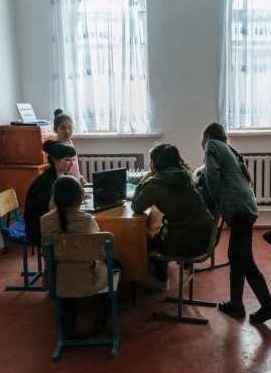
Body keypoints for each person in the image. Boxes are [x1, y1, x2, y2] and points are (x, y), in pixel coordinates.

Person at [200, 122, 271, 324]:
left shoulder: (212, 145)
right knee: (237, 257)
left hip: (238, 207)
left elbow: (211, 175)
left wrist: (216, 199)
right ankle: (237, 305)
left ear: (207, 135)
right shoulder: (228, 148)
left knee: (244, 259)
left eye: (202, 138)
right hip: (245, 206)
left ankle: (269, 307)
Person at [131, 143, 213, 291]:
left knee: (151, 239)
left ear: (154, 162)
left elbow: (136, 206)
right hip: (206, 237)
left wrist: (144, 179)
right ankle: (174, 268)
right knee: (165, 228)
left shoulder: (154, 184)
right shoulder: (185, 173)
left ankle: (161, 278)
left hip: (187, 242)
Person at [40, 176, 117, 333]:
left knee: (65, 270)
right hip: (85, 278)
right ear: (80, 198)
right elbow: (100, 248)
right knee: (115, 265)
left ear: (54, 197)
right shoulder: (86, 219)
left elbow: (46, 253)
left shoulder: (45, 220)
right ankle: (100, 320)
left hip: (56, 279)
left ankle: (69, 323)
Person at [24, 141, 77, 247]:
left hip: (50, 222)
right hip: (39, 230)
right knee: (79, 229)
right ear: (55, 160)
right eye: (67, 160)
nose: (72, 164)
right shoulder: (45, 182)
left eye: (73, 160)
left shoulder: (60, 175)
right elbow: (48, 209)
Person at [53, 109, 87, 185]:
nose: (67, 131)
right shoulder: (56, 147)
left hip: (76, 183)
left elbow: (75, 169)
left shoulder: (69, 142)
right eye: (63, 128)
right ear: (55, 129)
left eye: (70, 127)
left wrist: (82, 181)